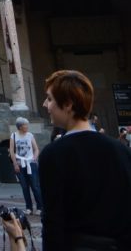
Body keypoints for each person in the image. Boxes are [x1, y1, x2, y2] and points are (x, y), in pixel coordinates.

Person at [40, 68, 131, 250]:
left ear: (67, 104)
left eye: (50, 99)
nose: (45, 105)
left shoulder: (53, 155)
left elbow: (53, 224)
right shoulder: (121, 151)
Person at [9, 116, 42, 215]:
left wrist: (34, 158)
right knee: (24, 187)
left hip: (30, 163)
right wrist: (15, 164)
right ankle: (29, 208)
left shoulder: (30, 135)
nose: (27, 127)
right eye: (25, 125)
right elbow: (11, 151)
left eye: (27, 125)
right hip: (20, 163)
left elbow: (36, 149)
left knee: (35, 186)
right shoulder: (13, 136)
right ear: (20, 127)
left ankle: (40, 207)